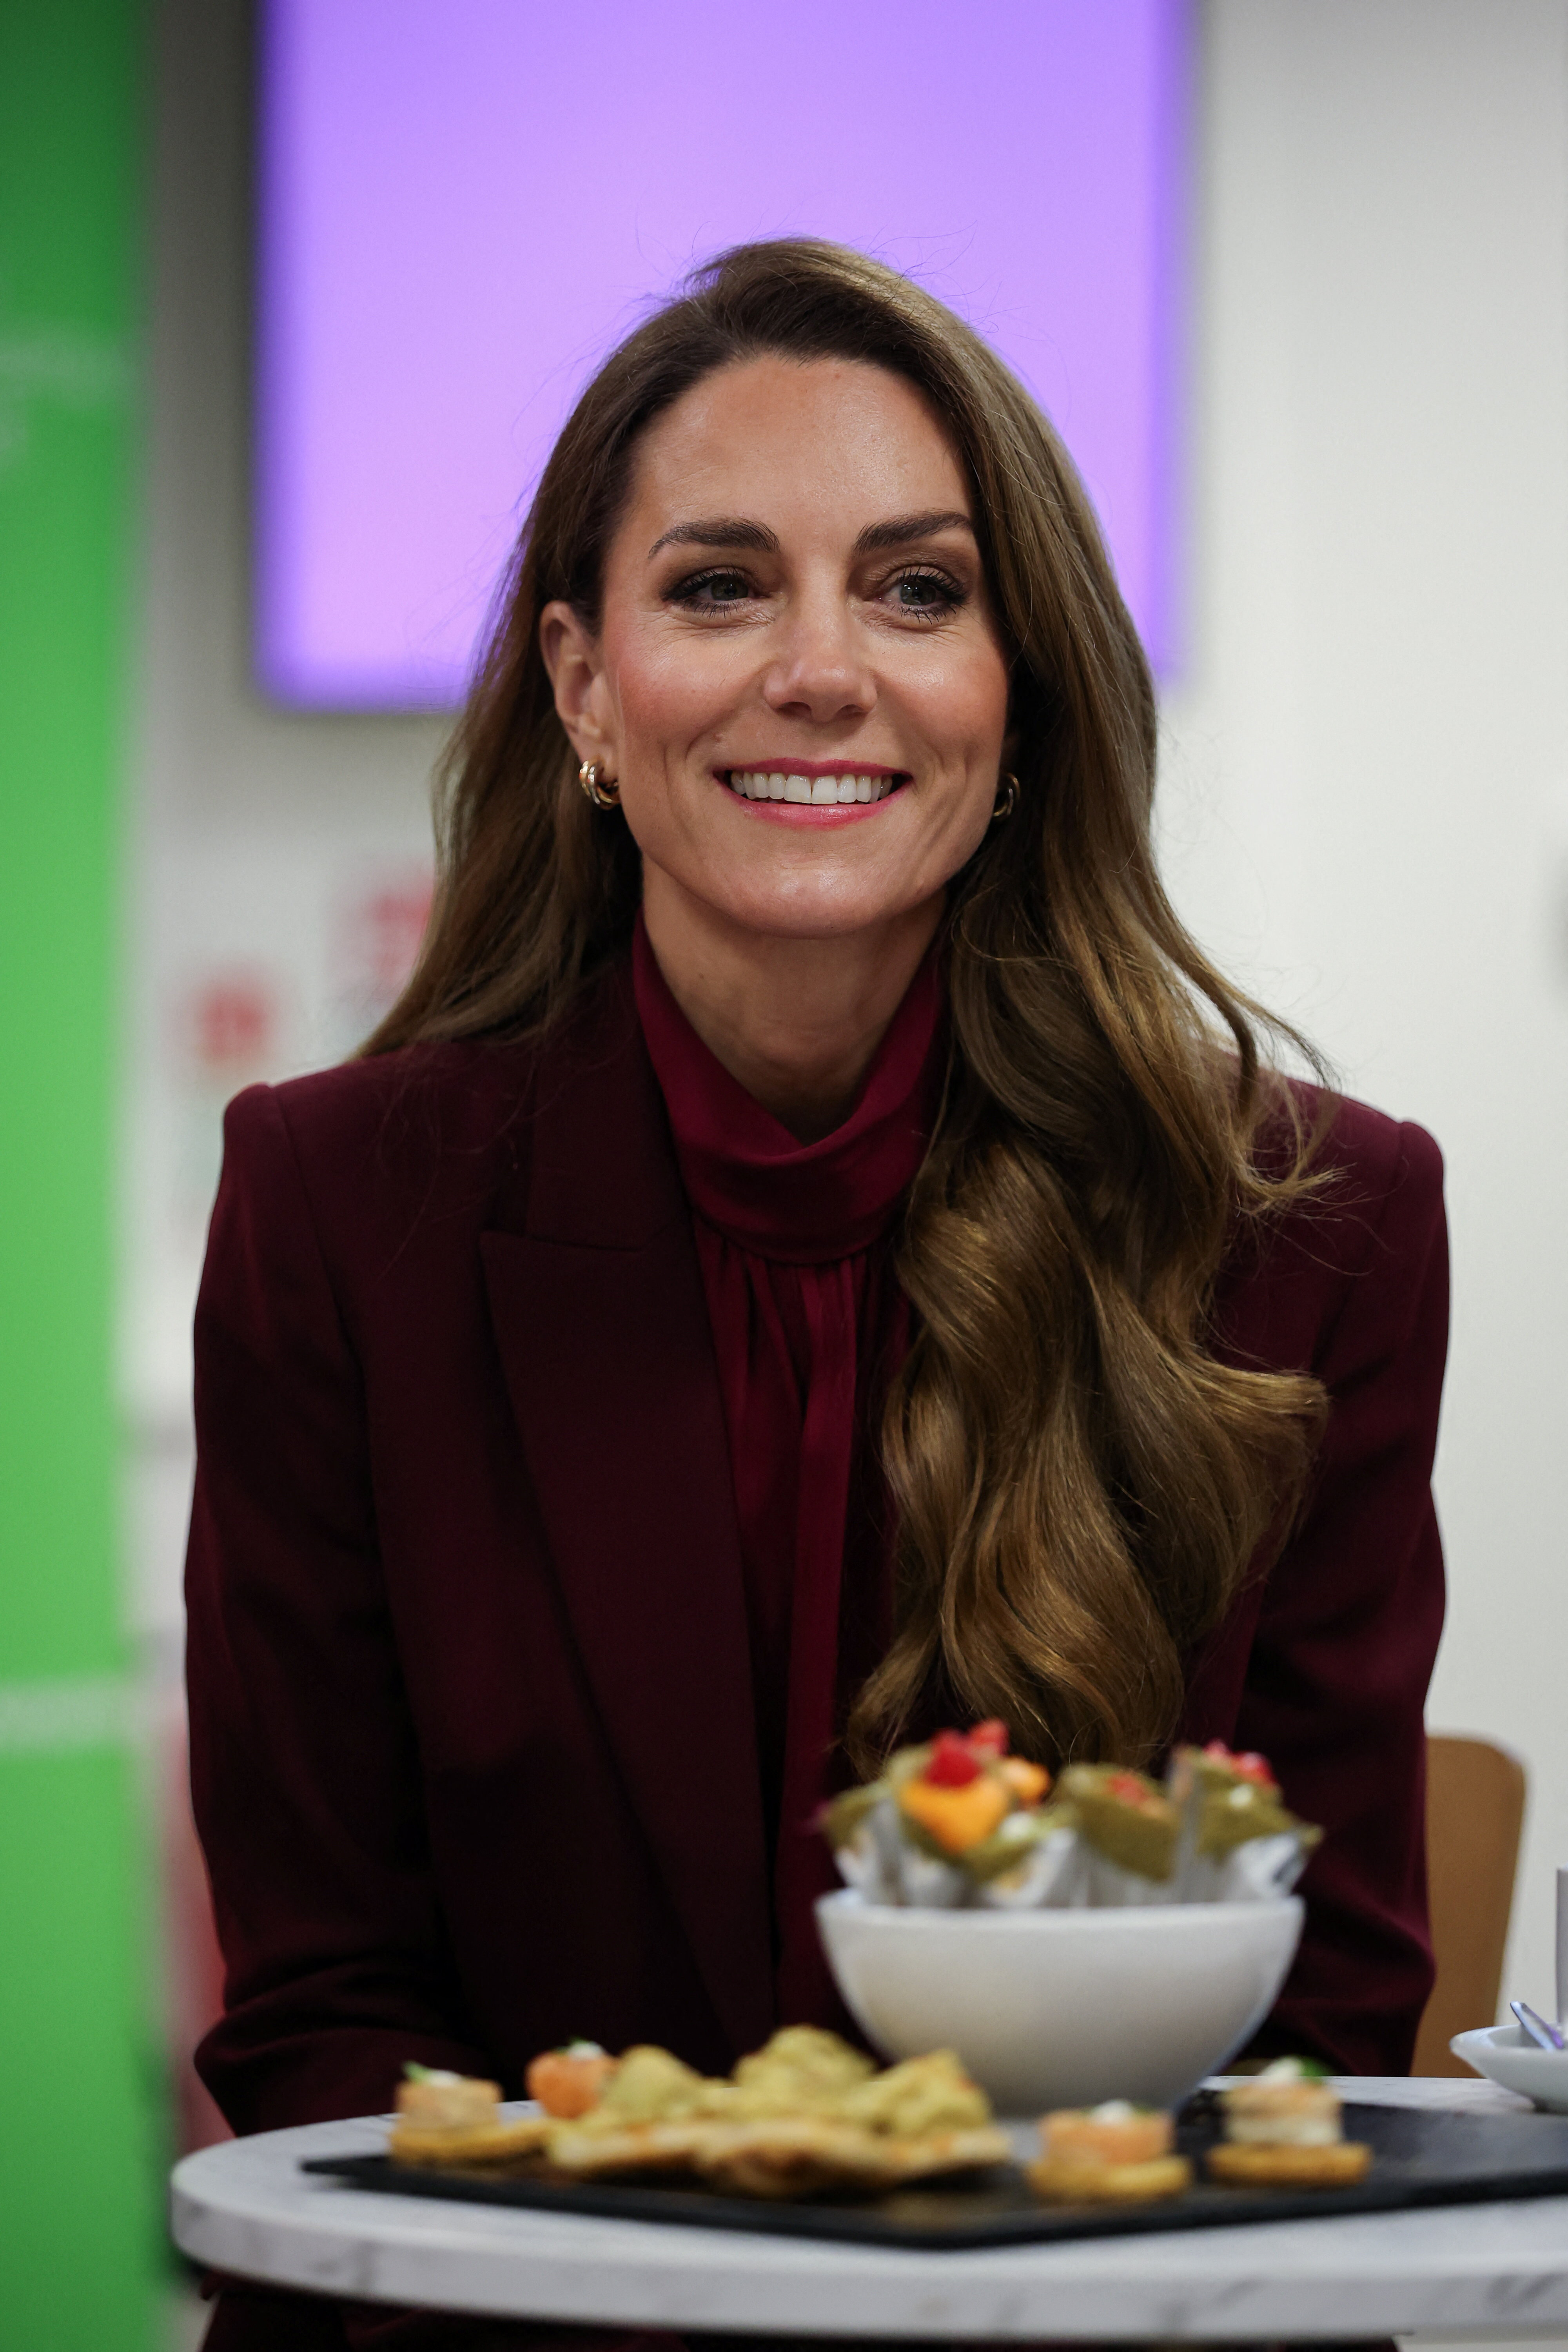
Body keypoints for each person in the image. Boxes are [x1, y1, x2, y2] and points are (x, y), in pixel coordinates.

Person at [185, 241, 1447, 2349]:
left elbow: (1315, 2040)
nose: (823, 668)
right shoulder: (337, 1207)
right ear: (587, 690)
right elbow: (329, 2024)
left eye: (920, 589)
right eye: (719, 586)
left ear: (1017, 690)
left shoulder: (1315, 1234)